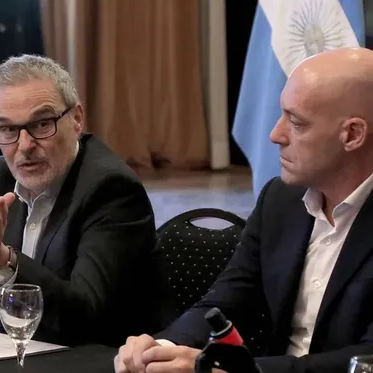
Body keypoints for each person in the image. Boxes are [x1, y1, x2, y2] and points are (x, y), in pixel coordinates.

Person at [115, 47, 373, 373]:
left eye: (296, 122)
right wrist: (161, 349)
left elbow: (367, 358)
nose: (275, 135)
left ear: (352, 134)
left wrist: (234, 370)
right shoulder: (281, 200)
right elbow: (227, 301)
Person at [0, 55, 173, 346]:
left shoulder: (111, 190)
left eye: (42, 124)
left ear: (77, 119)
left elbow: (86, 316)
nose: (24, 146)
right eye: (8, 129)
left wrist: (4, 263)